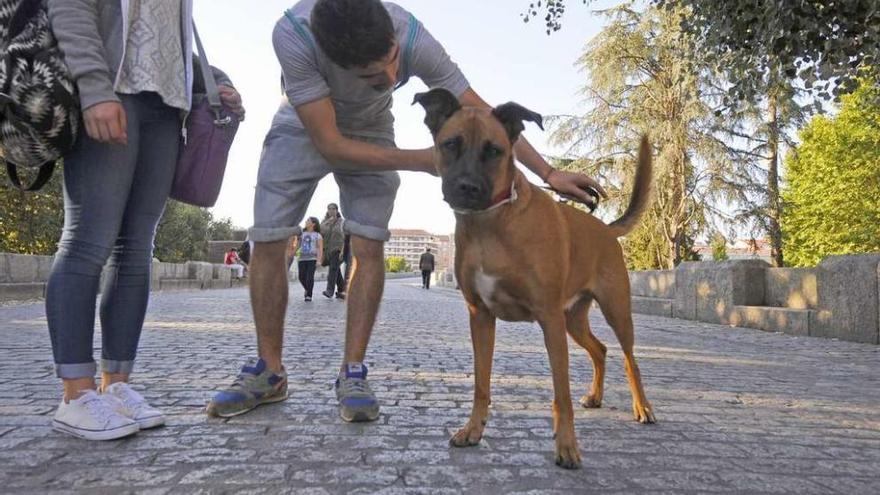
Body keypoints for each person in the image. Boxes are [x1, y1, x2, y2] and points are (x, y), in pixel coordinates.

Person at [207, 0, 605, 422]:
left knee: (370, 241)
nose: (392, 77)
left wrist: (548, 170)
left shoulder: (411, 35)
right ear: (337, 63)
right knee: (267, 236)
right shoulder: (293, 35)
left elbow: (485, 113)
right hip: (304, 125)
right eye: (372, 76)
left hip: (373, 126)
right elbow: (331, 145)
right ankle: (269, 371)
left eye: (393, 62)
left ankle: (353, 371)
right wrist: (425, 158)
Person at [46, 0, 244, 440]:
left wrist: (216, 81)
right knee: (86, 241)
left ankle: (116, 386)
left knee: (135, 250)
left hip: (165, 105)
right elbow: (71, 7)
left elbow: (160, 31)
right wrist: (94, 88)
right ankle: (75, 394)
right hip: (112, 88)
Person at [293, 217, 323, 301]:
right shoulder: (302, 234)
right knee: (301, 277)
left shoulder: (318, 235)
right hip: (302, 258)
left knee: (309, 277)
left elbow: (320, 248)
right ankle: (307, 289)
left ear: (313, 224)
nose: (306, 222)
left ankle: (309, 295)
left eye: (308, 220)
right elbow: (298, 245)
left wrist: (319, 260)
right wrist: (292, 253)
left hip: (312, 259)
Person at [321, 203, 346, 300]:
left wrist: (343, 251)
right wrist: (328, 223)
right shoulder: (324, 222)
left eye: (333, 209)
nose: (331, 210)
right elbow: (320, 232)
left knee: (333, 269)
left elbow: (346, 237)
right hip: (328, 251)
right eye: (329, 209)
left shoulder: (342, 222)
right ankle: (342, 290)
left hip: (339, 249)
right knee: (336, 270)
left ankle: (329, 290)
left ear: (337, 210)